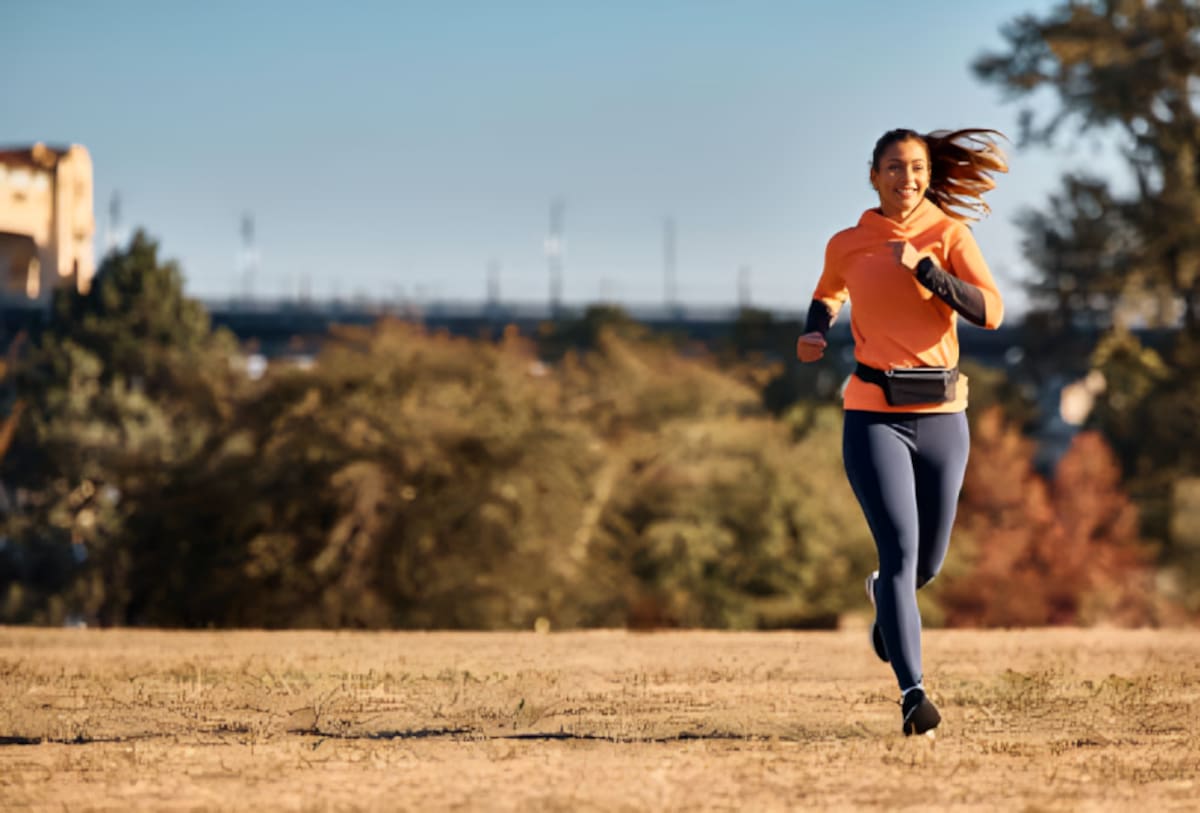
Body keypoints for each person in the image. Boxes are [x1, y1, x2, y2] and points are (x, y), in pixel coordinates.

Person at [796, 128, 1007, 736]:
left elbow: (991, 311)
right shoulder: (849, 242)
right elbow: (826, 294)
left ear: (928, 174)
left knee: (928, 565)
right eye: (894, 167)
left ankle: (886, 603)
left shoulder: (949, 235)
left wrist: (929, 273)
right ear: (874, 175)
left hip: (943, 415)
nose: (906, 178)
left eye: (916, 168)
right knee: (899, 555)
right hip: (872, 413)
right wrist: (815, 333)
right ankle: (914, 696)